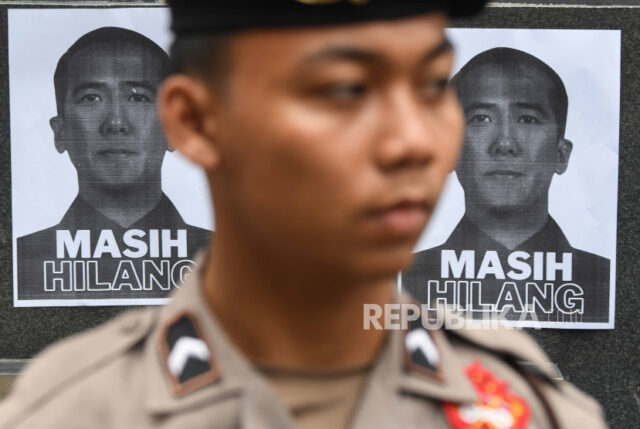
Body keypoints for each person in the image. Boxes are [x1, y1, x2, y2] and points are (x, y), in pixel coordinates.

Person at [1, 2, 608, 428]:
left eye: (429, 86)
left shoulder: (528, 409)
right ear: (193, 121)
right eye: (341, 89)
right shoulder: (73, 414)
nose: (413, 141)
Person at [403, 47, 610, 324]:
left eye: (527, 119)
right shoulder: (402, 283)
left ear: (560, 155)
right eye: (481, 119)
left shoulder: (604, 283)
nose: (504, 144)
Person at [15, 27, 211, 303]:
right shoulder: (22, 262)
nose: (116, 123)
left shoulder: (224, 261)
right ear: (61, 133)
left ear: (173, 128)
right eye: (91, 98)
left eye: (137, 97)